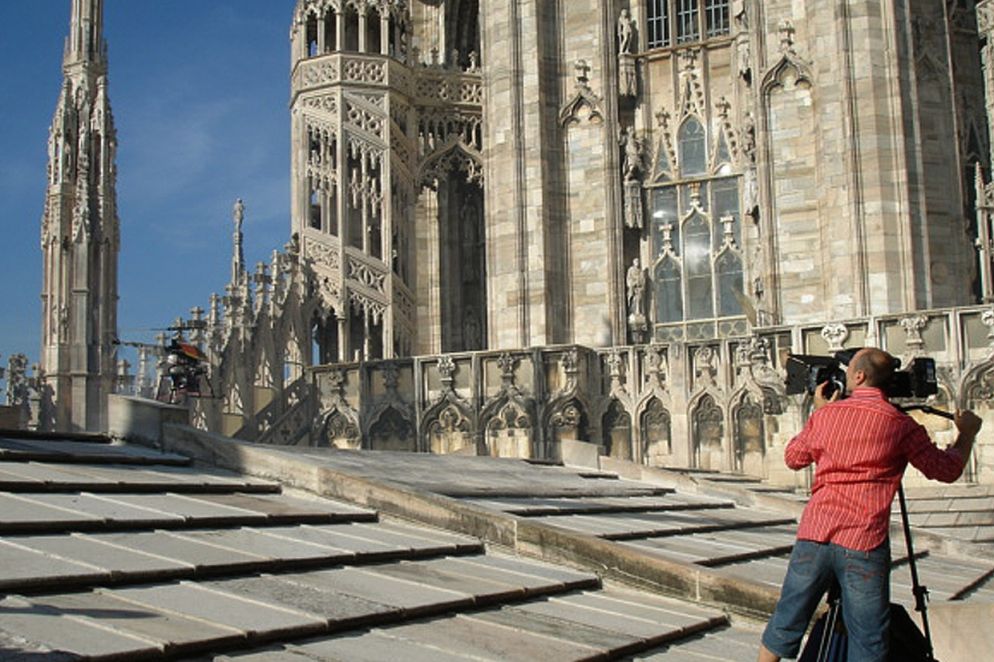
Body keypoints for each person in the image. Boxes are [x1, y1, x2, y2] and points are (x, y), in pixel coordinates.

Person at [758, 347, 982, 662]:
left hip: (815, 535)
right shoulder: (900, 425)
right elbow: (945, 469)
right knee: (868, 641)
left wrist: (819, 412)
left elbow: (793, 458)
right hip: (863, 543)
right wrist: (966, 436)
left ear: (859, 375)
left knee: (786, 621)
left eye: (847, 369)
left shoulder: (826, 417)